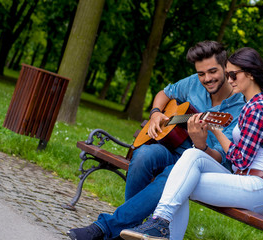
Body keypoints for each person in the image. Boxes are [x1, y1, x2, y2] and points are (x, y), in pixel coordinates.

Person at [67, 41, 246, 240]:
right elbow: (165, 93)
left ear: (225, 67)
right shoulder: (193, 83)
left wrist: (201, 145)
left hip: (203, 163)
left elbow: (222, 158)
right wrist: (155, 114)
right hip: (175, 147)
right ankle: (132, 226)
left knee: (172, 174)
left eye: (213, 71)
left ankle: (105, 228)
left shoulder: (239, 107)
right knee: (144, 154)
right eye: (201, 73)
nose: (207, 78)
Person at [119, 47, 263, 240]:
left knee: (180, 182)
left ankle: (159, 224)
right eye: (228, 74)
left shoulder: (260, 108)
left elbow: (240, 160)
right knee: (189, 160)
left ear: (250, 74)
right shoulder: (251, 105)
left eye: (233, 74)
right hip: (243, 179)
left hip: (260, 187)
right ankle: (161, 225)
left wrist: (216, 129)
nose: (230, 80)